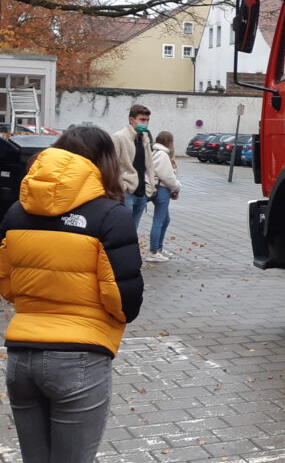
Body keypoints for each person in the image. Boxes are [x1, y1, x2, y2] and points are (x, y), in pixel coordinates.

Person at [0, 126, 144, 463]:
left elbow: (7, 284)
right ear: (106, 162)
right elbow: (124, 302)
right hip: (80, 356)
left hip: (21, 356)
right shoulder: (111, 215)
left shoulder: (17, 212)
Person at [112, 104, 157, 232]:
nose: (146, 123)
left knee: (133, 231)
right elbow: (112, 166)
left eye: (147, 120)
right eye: (142, 120)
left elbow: (148, 165)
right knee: (123, 230)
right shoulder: (118, 137)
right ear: (132, 120)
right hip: (127, 192)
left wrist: (149, 184)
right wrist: (122, 187)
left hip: (142, 192)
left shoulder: (144, 138)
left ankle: (130, 252)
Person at [146, 131, 181, 262]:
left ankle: (159, 248)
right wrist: (176, 188)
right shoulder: (163, 154)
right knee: (160, 220)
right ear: (170, 142)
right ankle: (154, 251)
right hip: (161, 188)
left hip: (156, 187)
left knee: (165, 220)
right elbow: (167, 176)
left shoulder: (154, 151)